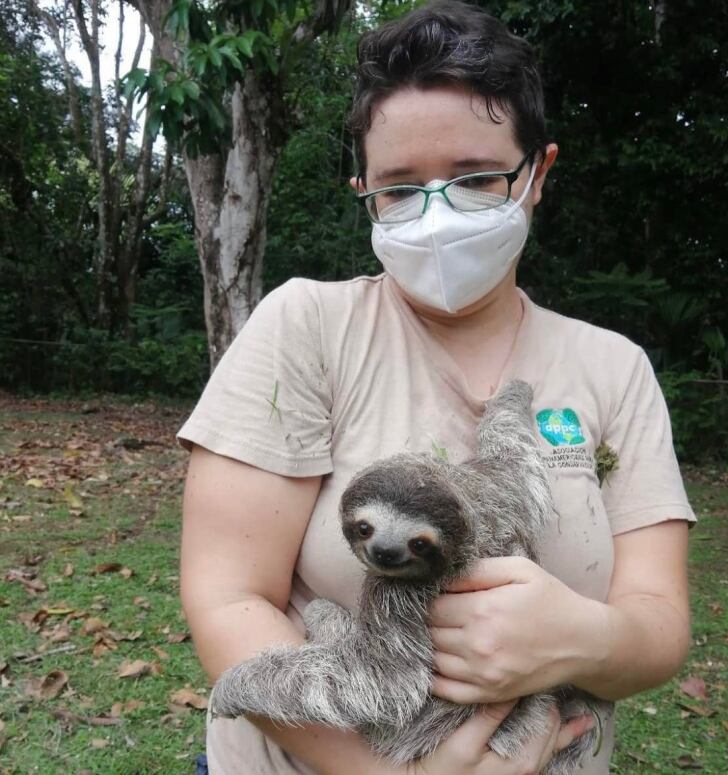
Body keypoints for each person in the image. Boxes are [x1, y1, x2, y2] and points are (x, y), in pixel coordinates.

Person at [176, 2, 697, 773]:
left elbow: (658, 627)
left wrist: (577, 636)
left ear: (538, 173)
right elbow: (227, 598)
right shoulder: (306, 326)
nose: (437, 212)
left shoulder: (612, 368)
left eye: (477, 178)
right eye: (398, 187)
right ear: (366, 192)